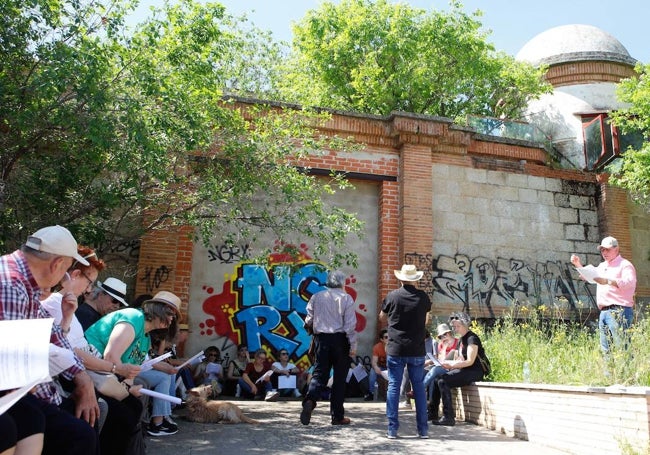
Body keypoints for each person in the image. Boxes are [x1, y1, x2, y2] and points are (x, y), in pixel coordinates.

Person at [0, 225, 98, 454]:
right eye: (65, 269)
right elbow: (13, 372)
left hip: (19, 392)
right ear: (56, 265)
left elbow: (53, 333)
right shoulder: (11, 285)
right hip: (11, 395)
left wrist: (82, 378)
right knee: (78, 434)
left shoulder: (24, 282)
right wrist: (56, 401)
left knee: (83, 424)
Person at [40, 245, 144, 454]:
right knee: (100, 419)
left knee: (127, 408)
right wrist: (115, 370)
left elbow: (65, 346)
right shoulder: (55, 304)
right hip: (65, 381)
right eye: (89, 283)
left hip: (78, 376)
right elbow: (70, 354)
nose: (89, 289)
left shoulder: (68, 305)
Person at [84, 290, 181, 437]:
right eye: (170, 313)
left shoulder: (146, 339)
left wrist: (130, 388)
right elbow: (110, 356)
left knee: (133, 408)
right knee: (126, 412)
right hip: (91, 366)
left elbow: (132, 371)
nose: (171, 319)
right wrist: (126, 390)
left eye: (174, 316)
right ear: (158, 309)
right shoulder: (134, 317)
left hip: (108, 376)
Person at [379, 263, 432, 439]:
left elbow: (381, 317)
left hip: (396, 348)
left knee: (394, 386)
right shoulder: (423, 297)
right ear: (415, 279)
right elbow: (426, 320)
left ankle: (392, 430)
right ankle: (423, 431)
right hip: (416, 349)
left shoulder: (392, 296)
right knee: (418, 388)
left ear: (400, 278)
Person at [300, 270, 357, 426]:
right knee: (339, 379)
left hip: (321, 340)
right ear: (342, 282)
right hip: (340, 341)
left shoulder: (316, 297)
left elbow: (308, 320)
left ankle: (310, 400)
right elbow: (350, 325)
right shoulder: (346, 298)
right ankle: (337, 417)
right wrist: (352, 345)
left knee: (319, 373)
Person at [571, 236, 637, 354]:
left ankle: (627, 372)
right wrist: (578, 265)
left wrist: (608, 281)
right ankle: (609, 373)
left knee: (622, 347)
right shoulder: (602, 266)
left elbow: (630, 283)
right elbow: (592, 277)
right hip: (604, 311)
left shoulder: (625, 265)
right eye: (602, 250)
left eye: (607, 249)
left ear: (616, 249)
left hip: (619, 311)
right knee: (606, 350)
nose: (604, 252)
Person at [435, 312, 487, 426]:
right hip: (465, 370)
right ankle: (432, 413)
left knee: (443, 381)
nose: (456, 329)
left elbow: (470, 361)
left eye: (458, 326)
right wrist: (447, 363)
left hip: (474, 371)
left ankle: (448, 417)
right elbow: (460, 359)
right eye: (454, 327)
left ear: (465, 325)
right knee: (437, 378)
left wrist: (452, 366)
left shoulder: (472, 338)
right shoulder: (461, 340)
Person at [425, 323, 459, 421]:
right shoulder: (440, 345)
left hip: (453, 367)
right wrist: (444, 348)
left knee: (434, 370)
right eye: (440, 336)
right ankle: (432, 411)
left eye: (445, 335)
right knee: (433, 379)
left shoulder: (457, 342)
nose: (443, 337)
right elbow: (441, 359)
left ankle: (418, 389)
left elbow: (457, 358)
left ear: (449, 333)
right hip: (443, 367)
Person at [365, 329, 388, 401]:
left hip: (390, 368)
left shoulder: (393, 347)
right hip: (380, 368)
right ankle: (371, 393)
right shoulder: (377, 347)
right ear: (381, 339)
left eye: (390, 337)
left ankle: (388, 394)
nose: (389, 339)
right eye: (386, 337)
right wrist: (375, 367)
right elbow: (374, 361)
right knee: (372, 372)